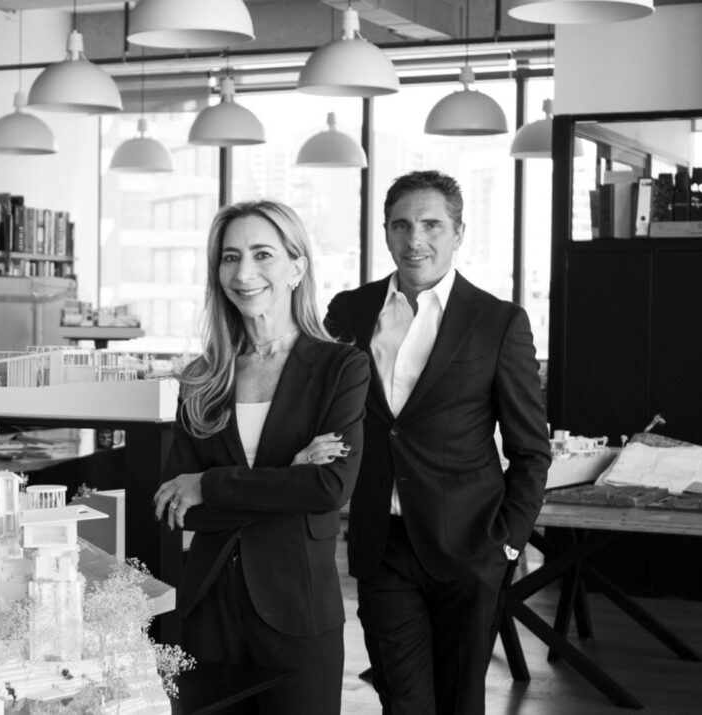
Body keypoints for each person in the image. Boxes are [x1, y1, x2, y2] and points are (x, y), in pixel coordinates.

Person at [323, 170, 551, 714]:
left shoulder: (498, 322)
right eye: (401, 225)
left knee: (458, 701)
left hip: (470, 545)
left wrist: (508, 544)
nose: (414, 240)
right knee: (402, 701)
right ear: (385, 231)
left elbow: (530, 450)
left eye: (431, 225)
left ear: (458, 233)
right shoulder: (349, 312)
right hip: (381, 543)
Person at [154, 199, 370, 714]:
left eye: (262, 254)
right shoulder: (202, 377)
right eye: (230, 257)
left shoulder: (341, 367)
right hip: (207, 607)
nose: (243, 272)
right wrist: (286, 478)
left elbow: (328, 488)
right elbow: (176, 506)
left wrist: (209, 484)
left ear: (297, 268)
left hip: (298, 606)